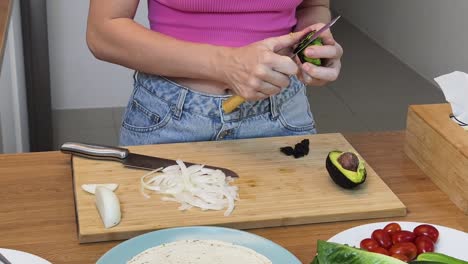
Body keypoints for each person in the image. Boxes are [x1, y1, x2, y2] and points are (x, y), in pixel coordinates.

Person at [87, 0, 343, 146]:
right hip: (170, 118)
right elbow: (103, 33)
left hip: (283, 111)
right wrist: (226, 64)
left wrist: (312, 45)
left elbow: (313, 5)